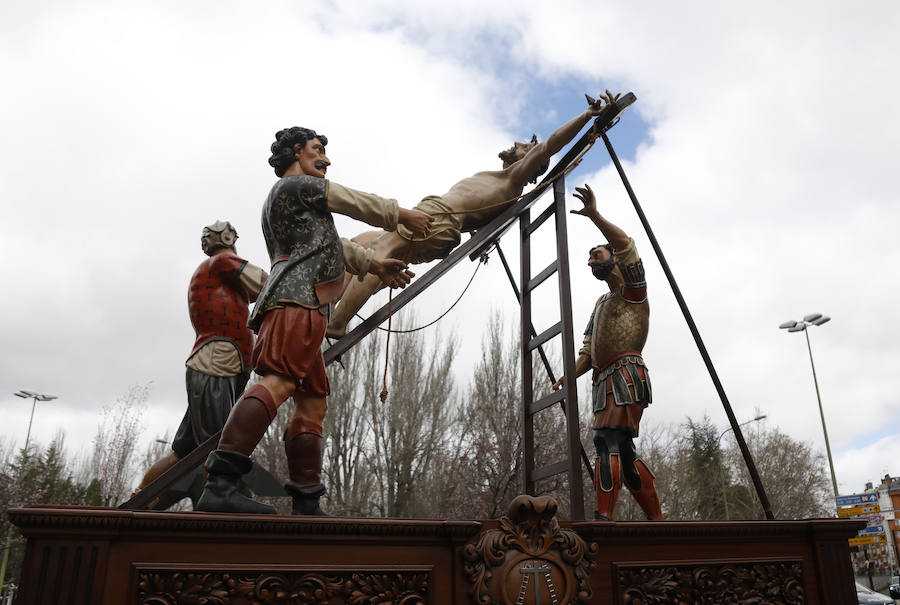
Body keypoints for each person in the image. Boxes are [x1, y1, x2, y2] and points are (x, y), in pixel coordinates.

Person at [196, 127, 432, 515]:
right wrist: (401, 215)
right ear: (296, 153)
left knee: (313, 401)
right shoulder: (294, 187)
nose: (325, 158)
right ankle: (220, 484)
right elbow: (349, 199)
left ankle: (306, 499)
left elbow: (332, 245)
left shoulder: (295, 204)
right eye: (317, 150)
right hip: (296, 300)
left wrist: (375, 264)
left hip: (306, 303)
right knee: (280, 381)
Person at [325, 93, 619, 338]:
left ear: (529, 161)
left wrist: (586, 116)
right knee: (364, 244)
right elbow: (481, 231)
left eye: (524, 147)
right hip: (438, 221)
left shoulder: (512, 180)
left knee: (378, 250)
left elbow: (550, 145)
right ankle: (328, 305)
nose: (517, 143)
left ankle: (336, 325)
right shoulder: (499, 185)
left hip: (438, 218)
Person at [136, 220, 268, 501]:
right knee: (220, 442)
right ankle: (224, 495)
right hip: (217, 364)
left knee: (186, 450)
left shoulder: (215, 272)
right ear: (230, 239)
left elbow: (256, 293)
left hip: (220, 364)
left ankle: (141, 497)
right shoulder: (223, 262)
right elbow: (265, 283)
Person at [554, 183, 662, 521]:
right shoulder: (600, 303)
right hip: (604, 379)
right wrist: (567, 376)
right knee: (624, 451)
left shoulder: (633, 292)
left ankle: (603, 516)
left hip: (625, 374)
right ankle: (656, 518)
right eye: (588, 259)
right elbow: (588, 350)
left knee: (605, 440)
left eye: (596, 255)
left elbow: (627, 246)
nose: (590, 262)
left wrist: (595, 216)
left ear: (613, 258)